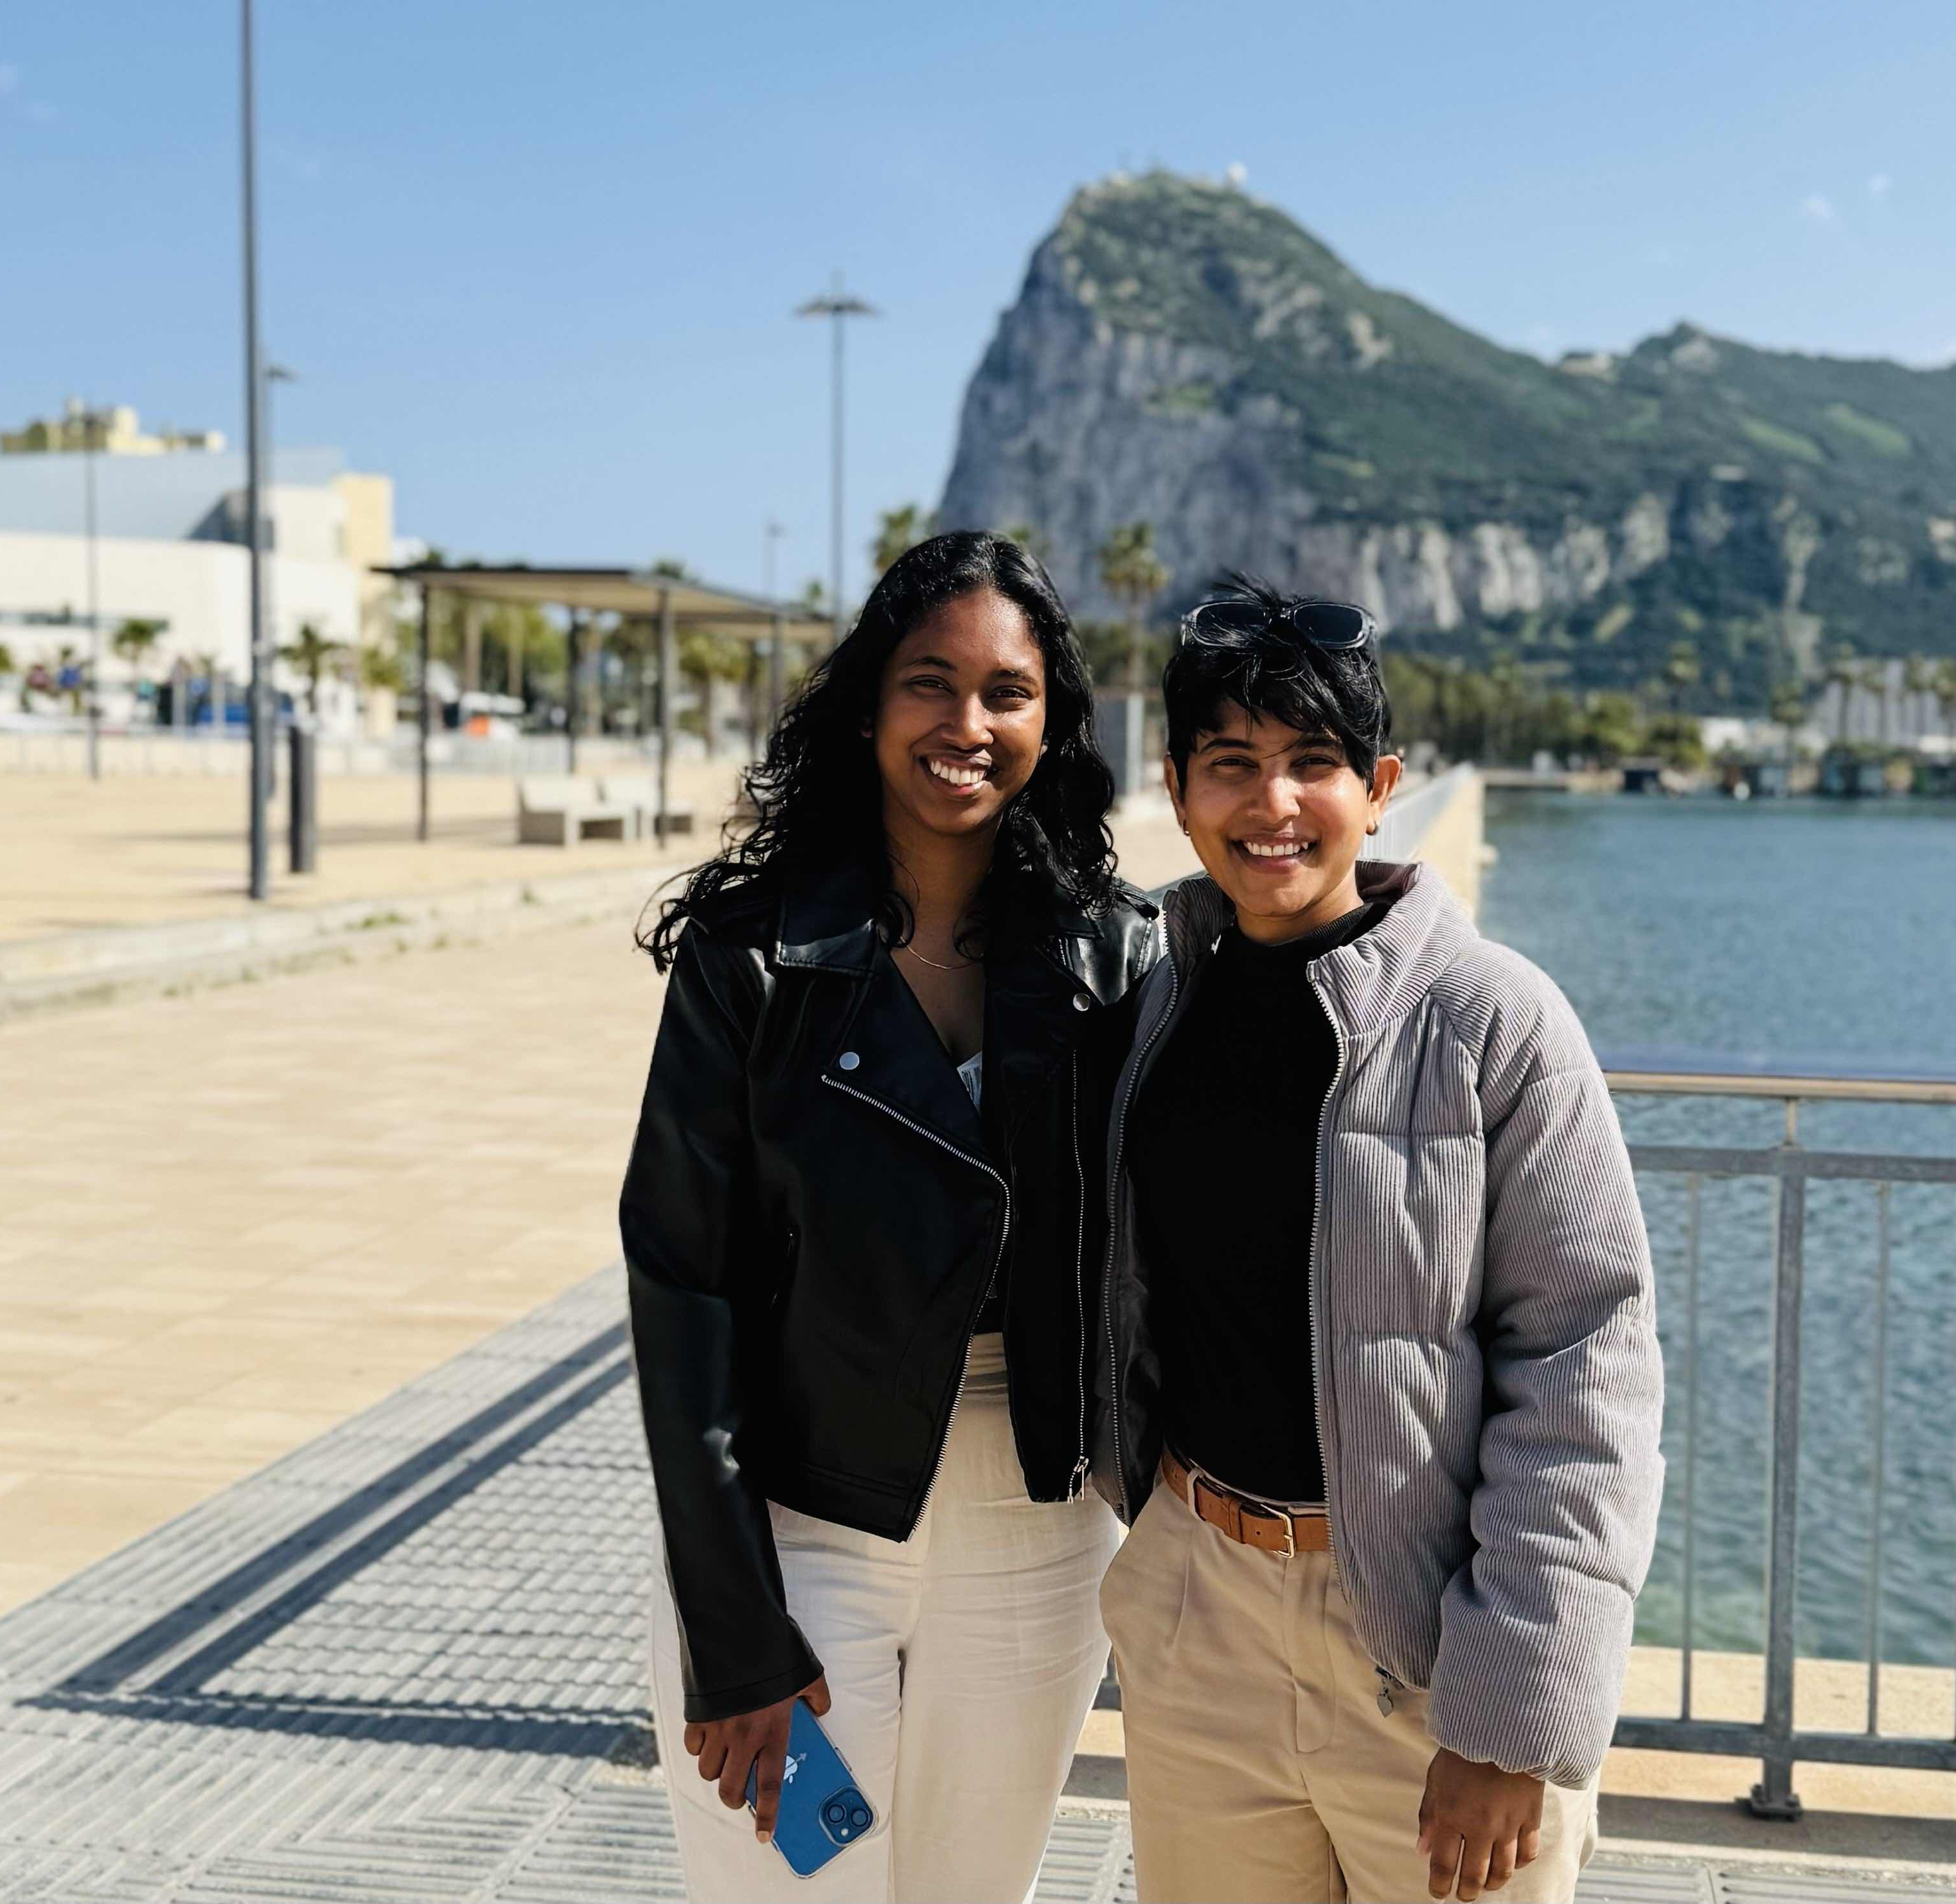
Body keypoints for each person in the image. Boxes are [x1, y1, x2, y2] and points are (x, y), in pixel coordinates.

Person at [1092, 575, 1665, 1904]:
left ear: (1380, 786)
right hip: (1200, 1620)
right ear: (1177, 788)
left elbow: (1586, 1364)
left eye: (1312, 762)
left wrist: (1512, 1710)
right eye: (1231, 764)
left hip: (1430, 1646)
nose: (1273, 803)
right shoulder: (1149, 1005)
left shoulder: (1491, 1017)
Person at [622, 531, 1161, 1902]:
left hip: (1036, 1542)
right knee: (795, 1883)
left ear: (1051, 724)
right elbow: (682, 1292)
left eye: (1006, 692)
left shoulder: (1113, 954)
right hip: (801, 1532)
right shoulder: (751, 956)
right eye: (930, 682)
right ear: (868, 703)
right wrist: (733, 1634)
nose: (966, 724)